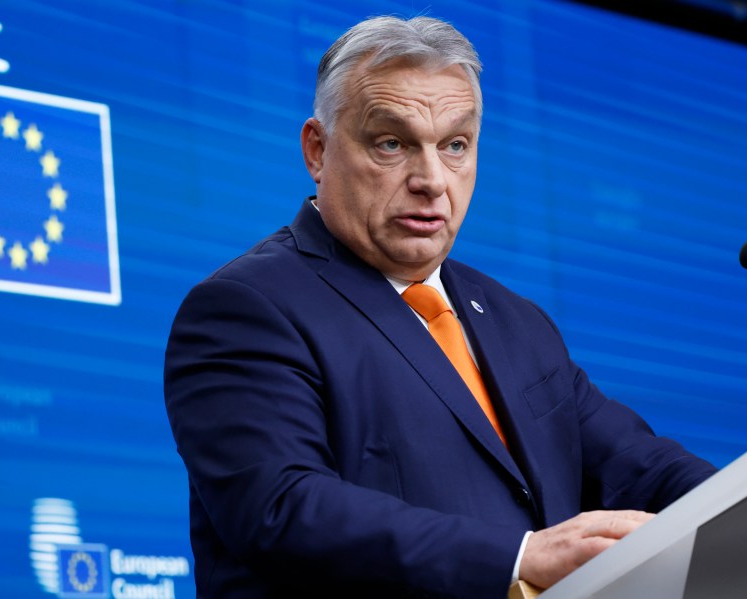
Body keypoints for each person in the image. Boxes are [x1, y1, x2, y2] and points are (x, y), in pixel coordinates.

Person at [164, 15, 716, 598]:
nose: (431, 179)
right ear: (317, 150)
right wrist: (521, 556)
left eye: (455, 145)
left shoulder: (516, 321)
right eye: (391, 143)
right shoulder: (247, 308)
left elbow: (642, 468)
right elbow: (281, 509)